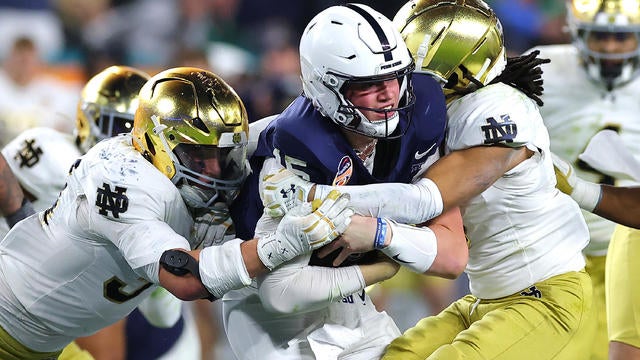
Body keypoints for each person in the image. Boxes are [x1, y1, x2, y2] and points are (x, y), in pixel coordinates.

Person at [261, 0, 593, 358]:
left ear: (449, 68)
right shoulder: (431, 113)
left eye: (404, 70)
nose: (395, 88)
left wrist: (312, 196)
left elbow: (426, 200)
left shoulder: (496, 108)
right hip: (484, 297)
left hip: (542, 294)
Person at [0, 66, 353, 360]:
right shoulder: (122, 178)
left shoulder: (177, 179)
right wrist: (280, 245)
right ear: (156, 143)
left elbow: (276, 133)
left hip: (42, 343)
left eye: (222, 155)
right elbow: (185, 277)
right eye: (200, 157)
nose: (215, 170)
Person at [223, 4, 468, 359]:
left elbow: (452, 256)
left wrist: (375, 232)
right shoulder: (297, 151)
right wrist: (383, 267)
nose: (388, 94)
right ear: (327, 88)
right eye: (369, 86)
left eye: (394, 78)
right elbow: (280, 292)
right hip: (269, 305)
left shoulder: (421, 113)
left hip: (346, 294)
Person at [526, 1, 640, 358]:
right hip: (558, 250)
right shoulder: (539, 68)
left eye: (621, 37)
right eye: (601, 36)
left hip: (630, 248)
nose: (609, 48)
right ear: (576, 30)